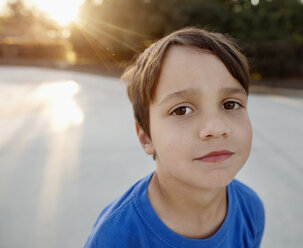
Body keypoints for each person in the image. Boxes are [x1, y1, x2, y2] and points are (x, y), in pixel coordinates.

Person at [84, 27, 265, 248]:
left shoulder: (251, 210)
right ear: (146, 138)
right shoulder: (116, 237)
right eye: (181, 110)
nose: (216, 128)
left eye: (230, 104)